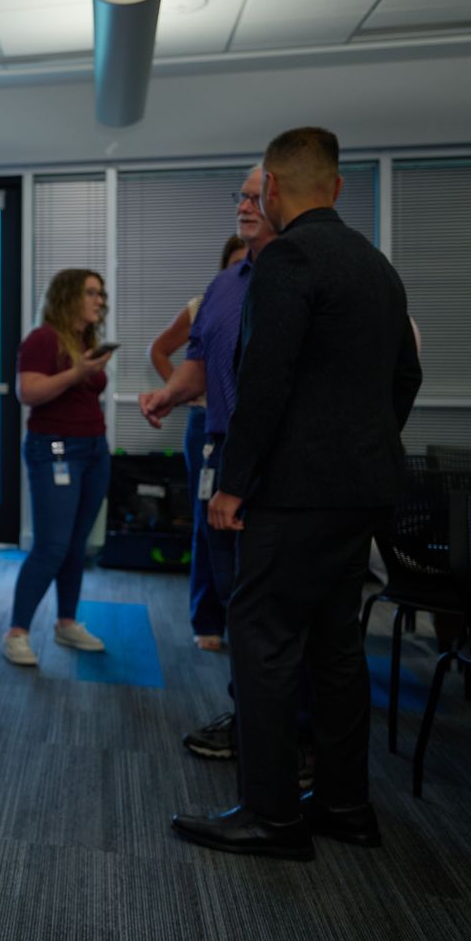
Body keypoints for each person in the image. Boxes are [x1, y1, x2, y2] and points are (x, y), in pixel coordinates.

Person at [171, 127, 421, 862]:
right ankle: (345, 804)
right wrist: (362, 445)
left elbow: (265, 382)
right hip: (362, 493)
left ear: (273, 190)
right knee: (337, 650)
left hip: (292, 495)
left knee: (264, 642)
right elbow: (405, 379)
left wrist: (234, 484)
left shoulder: (287, 261)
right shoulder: (378, 268)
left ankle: (272, 816)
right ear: (337, 188)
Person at [140, 168, 281, 761]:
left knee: (271, 603)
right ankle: (250, 717)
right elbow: (194, 364)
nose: (243, 207)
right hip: (219, 444)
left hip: (280, 459)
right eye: (240, 198)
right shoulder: (223, 288)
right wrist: (169, 394)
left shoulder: (301, 279)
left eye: (255, 198)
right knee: (231, 583)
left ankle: (284, 733)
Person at [2, 268, 112, 666]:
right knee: (51, 545)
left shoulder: (85, 340)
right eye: (91, 293)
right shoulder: (42, 339)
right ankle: (17, 634)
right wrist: (77, 373)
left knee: (76, 545)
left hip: (93, 450)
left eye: (101, 293)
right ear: (68, 297)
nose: (99, 300)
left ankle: (67, 623)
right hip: (55, 450)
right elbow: (28, 391)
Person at [149, 234, 248, 650]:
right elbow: (160, 350)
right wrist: (180, 390)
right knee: (207, 523)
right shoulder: (206, 303)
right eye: (237, 263)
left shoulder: (275, 300)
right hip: (207, 423)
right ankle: (207, 619)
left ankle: (246, 623)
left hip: (249, 426)